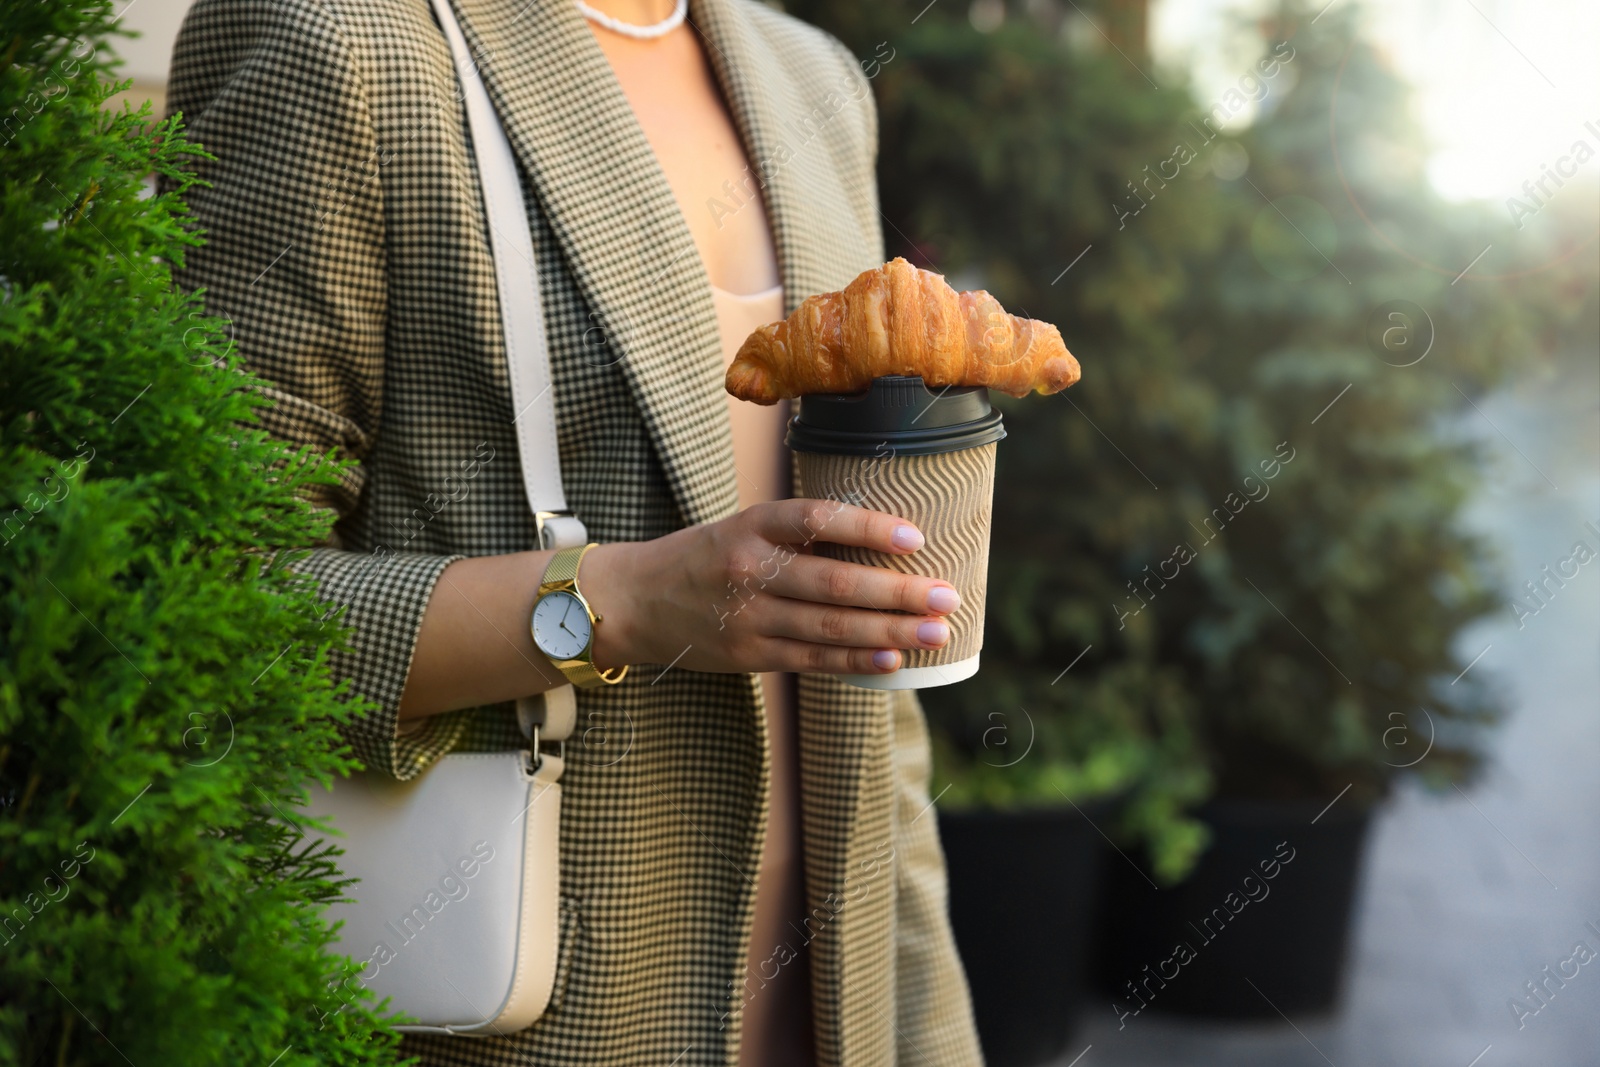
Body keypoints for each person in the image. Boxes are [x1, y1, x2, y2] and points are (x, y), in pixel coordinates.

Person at [166, 0, 982, 1064]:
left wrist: (929, 1032)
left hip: (828, 1006)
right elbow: (208, 605)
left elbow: (875, 684)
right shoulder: (336, 40)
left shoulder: (813, 79)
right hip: (523, 1005)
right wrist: (614, 603)